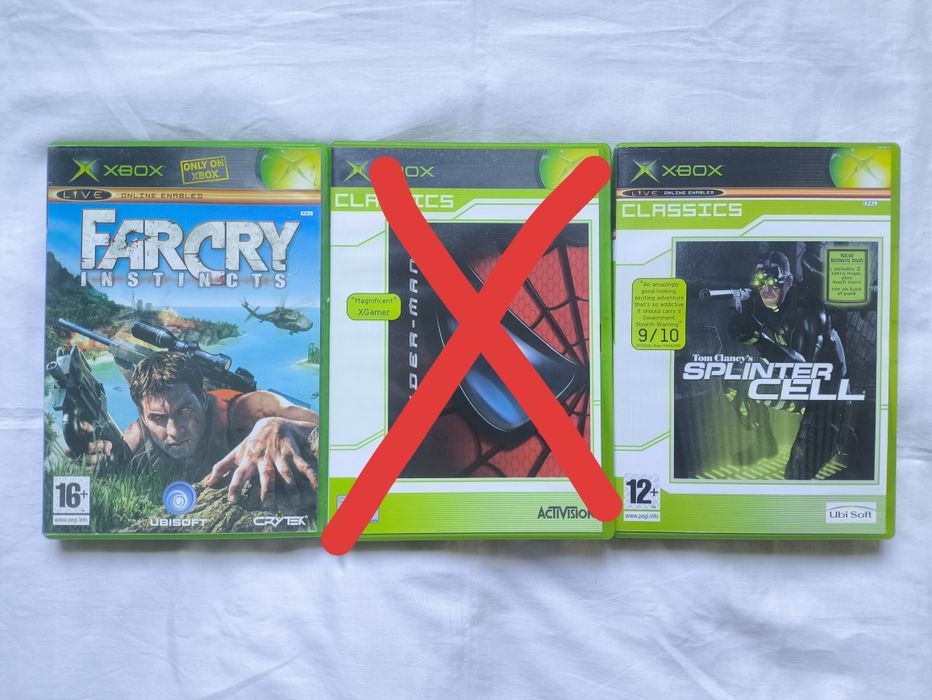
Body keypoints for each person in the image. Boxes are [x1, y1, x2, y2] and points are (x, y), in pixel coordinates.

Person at [81, 351, 318, 506]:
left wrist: (277, 425)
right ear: (143, 416)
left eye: (184, 411)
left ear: (203, 399)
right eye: (158, 418)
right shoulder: (135, 440)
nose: (174, 431)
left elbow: (325, 427)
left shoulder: (248, 410)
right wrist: (92, 464)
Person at [728, 250, 849, 479]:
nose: (766, 288)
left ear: (789, 281)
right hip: (792, 390)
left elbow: (803, 371)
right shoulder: (762, 302)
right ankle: (763, 440)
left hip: (825, 399)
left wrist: (758, 339)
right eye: (761, 280)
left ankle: (842, 437)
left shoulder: (809, 311)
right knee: (733, 379)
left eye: (774, 279)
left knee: (795, 475)